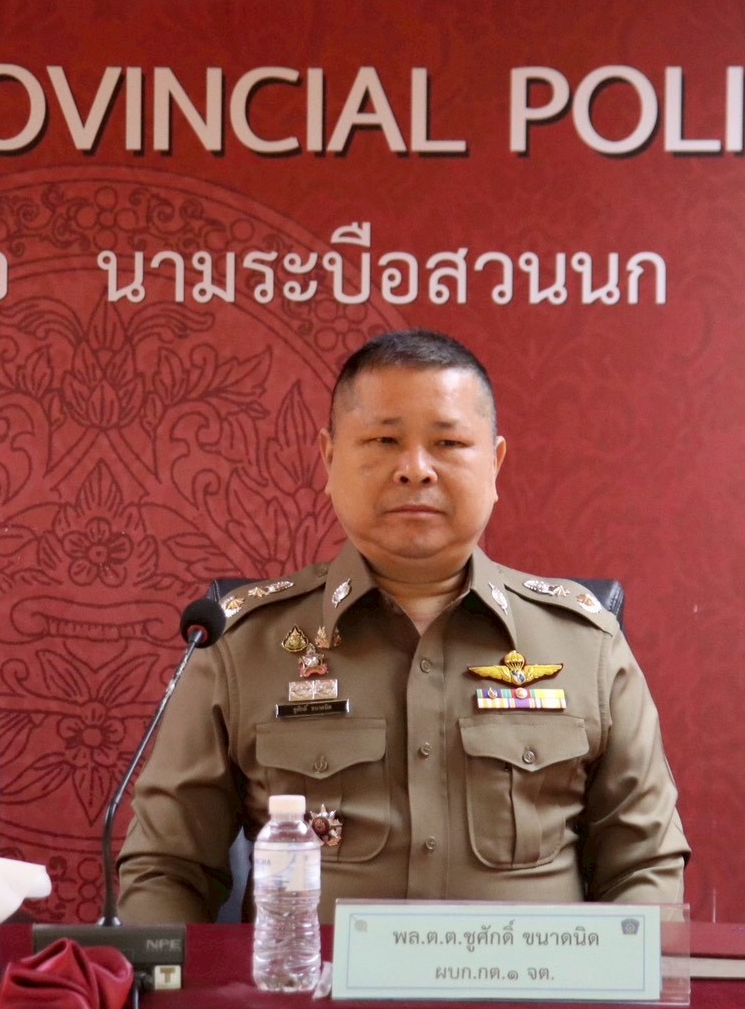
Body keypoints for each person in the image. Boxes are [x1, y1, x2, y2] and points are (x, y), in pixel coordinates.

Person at [117, 329, 688, 922]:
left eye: (448, 443)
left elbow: (643, 864)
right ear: (329, 458)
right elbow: (167, 868)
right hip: (312, 984)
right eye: (384, 440)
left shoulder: (585, 644)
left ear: (494, 464)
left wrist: (624, 974)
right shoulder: (241, 645)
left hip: (534, 982)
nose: (415, 470)